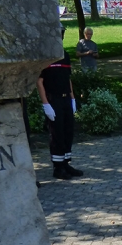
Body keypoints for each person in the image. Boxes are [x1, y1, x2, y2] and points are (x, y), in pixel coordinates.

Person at [37, 24, 82, 180]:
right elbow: (39, 81)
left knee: (68, 131)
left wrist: (73, 98)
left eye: (62, 34)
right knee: (56, 133)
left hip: (65, 99)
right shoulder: (45, 57)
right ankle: (58, 167)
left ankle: (66, 163)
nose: (60, 37)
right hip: (53, 99)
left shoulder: (65, 55)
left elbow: (67, 78)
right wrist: (45, 104)